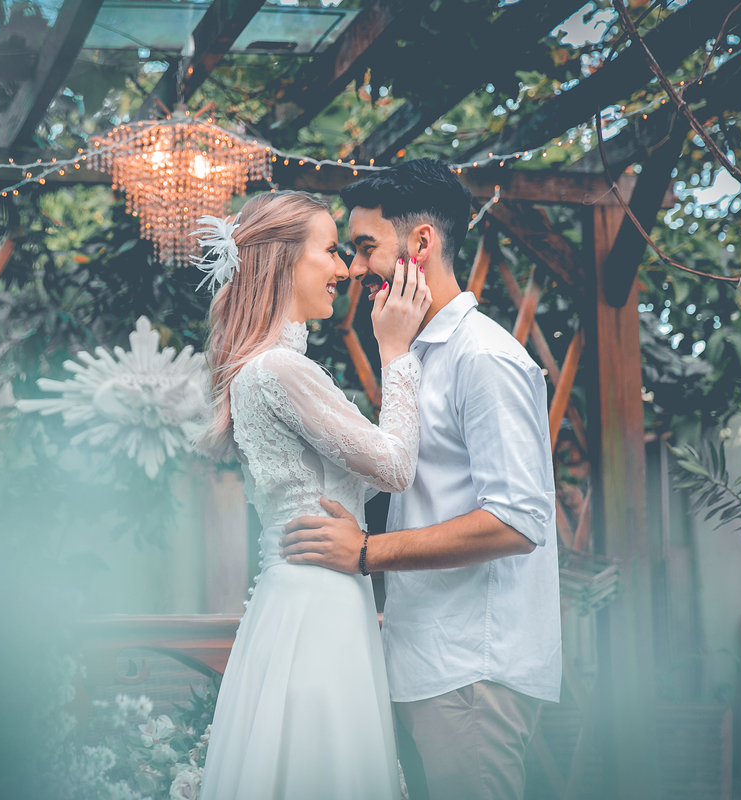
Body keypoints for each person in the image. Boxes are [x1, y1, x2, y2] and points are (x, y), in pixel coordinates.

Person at [278, 159, 561, 800]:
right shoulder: (415, 353)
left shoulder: (485, 358)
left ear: (422, 244)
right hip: (427, 663)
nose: (354, 269)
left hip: (471, 671)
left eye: (365, 247)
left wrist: (368, 554)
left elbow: (518, 520)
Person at [195, 190, 431, 799]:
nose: (346, 269)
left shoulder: (256, 369)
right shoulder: (280, 370)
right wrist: (397, 352)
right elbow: (395, 466)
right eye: (330, 251)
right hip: (319, 600)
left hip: (298, 595)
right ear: (283, 263)